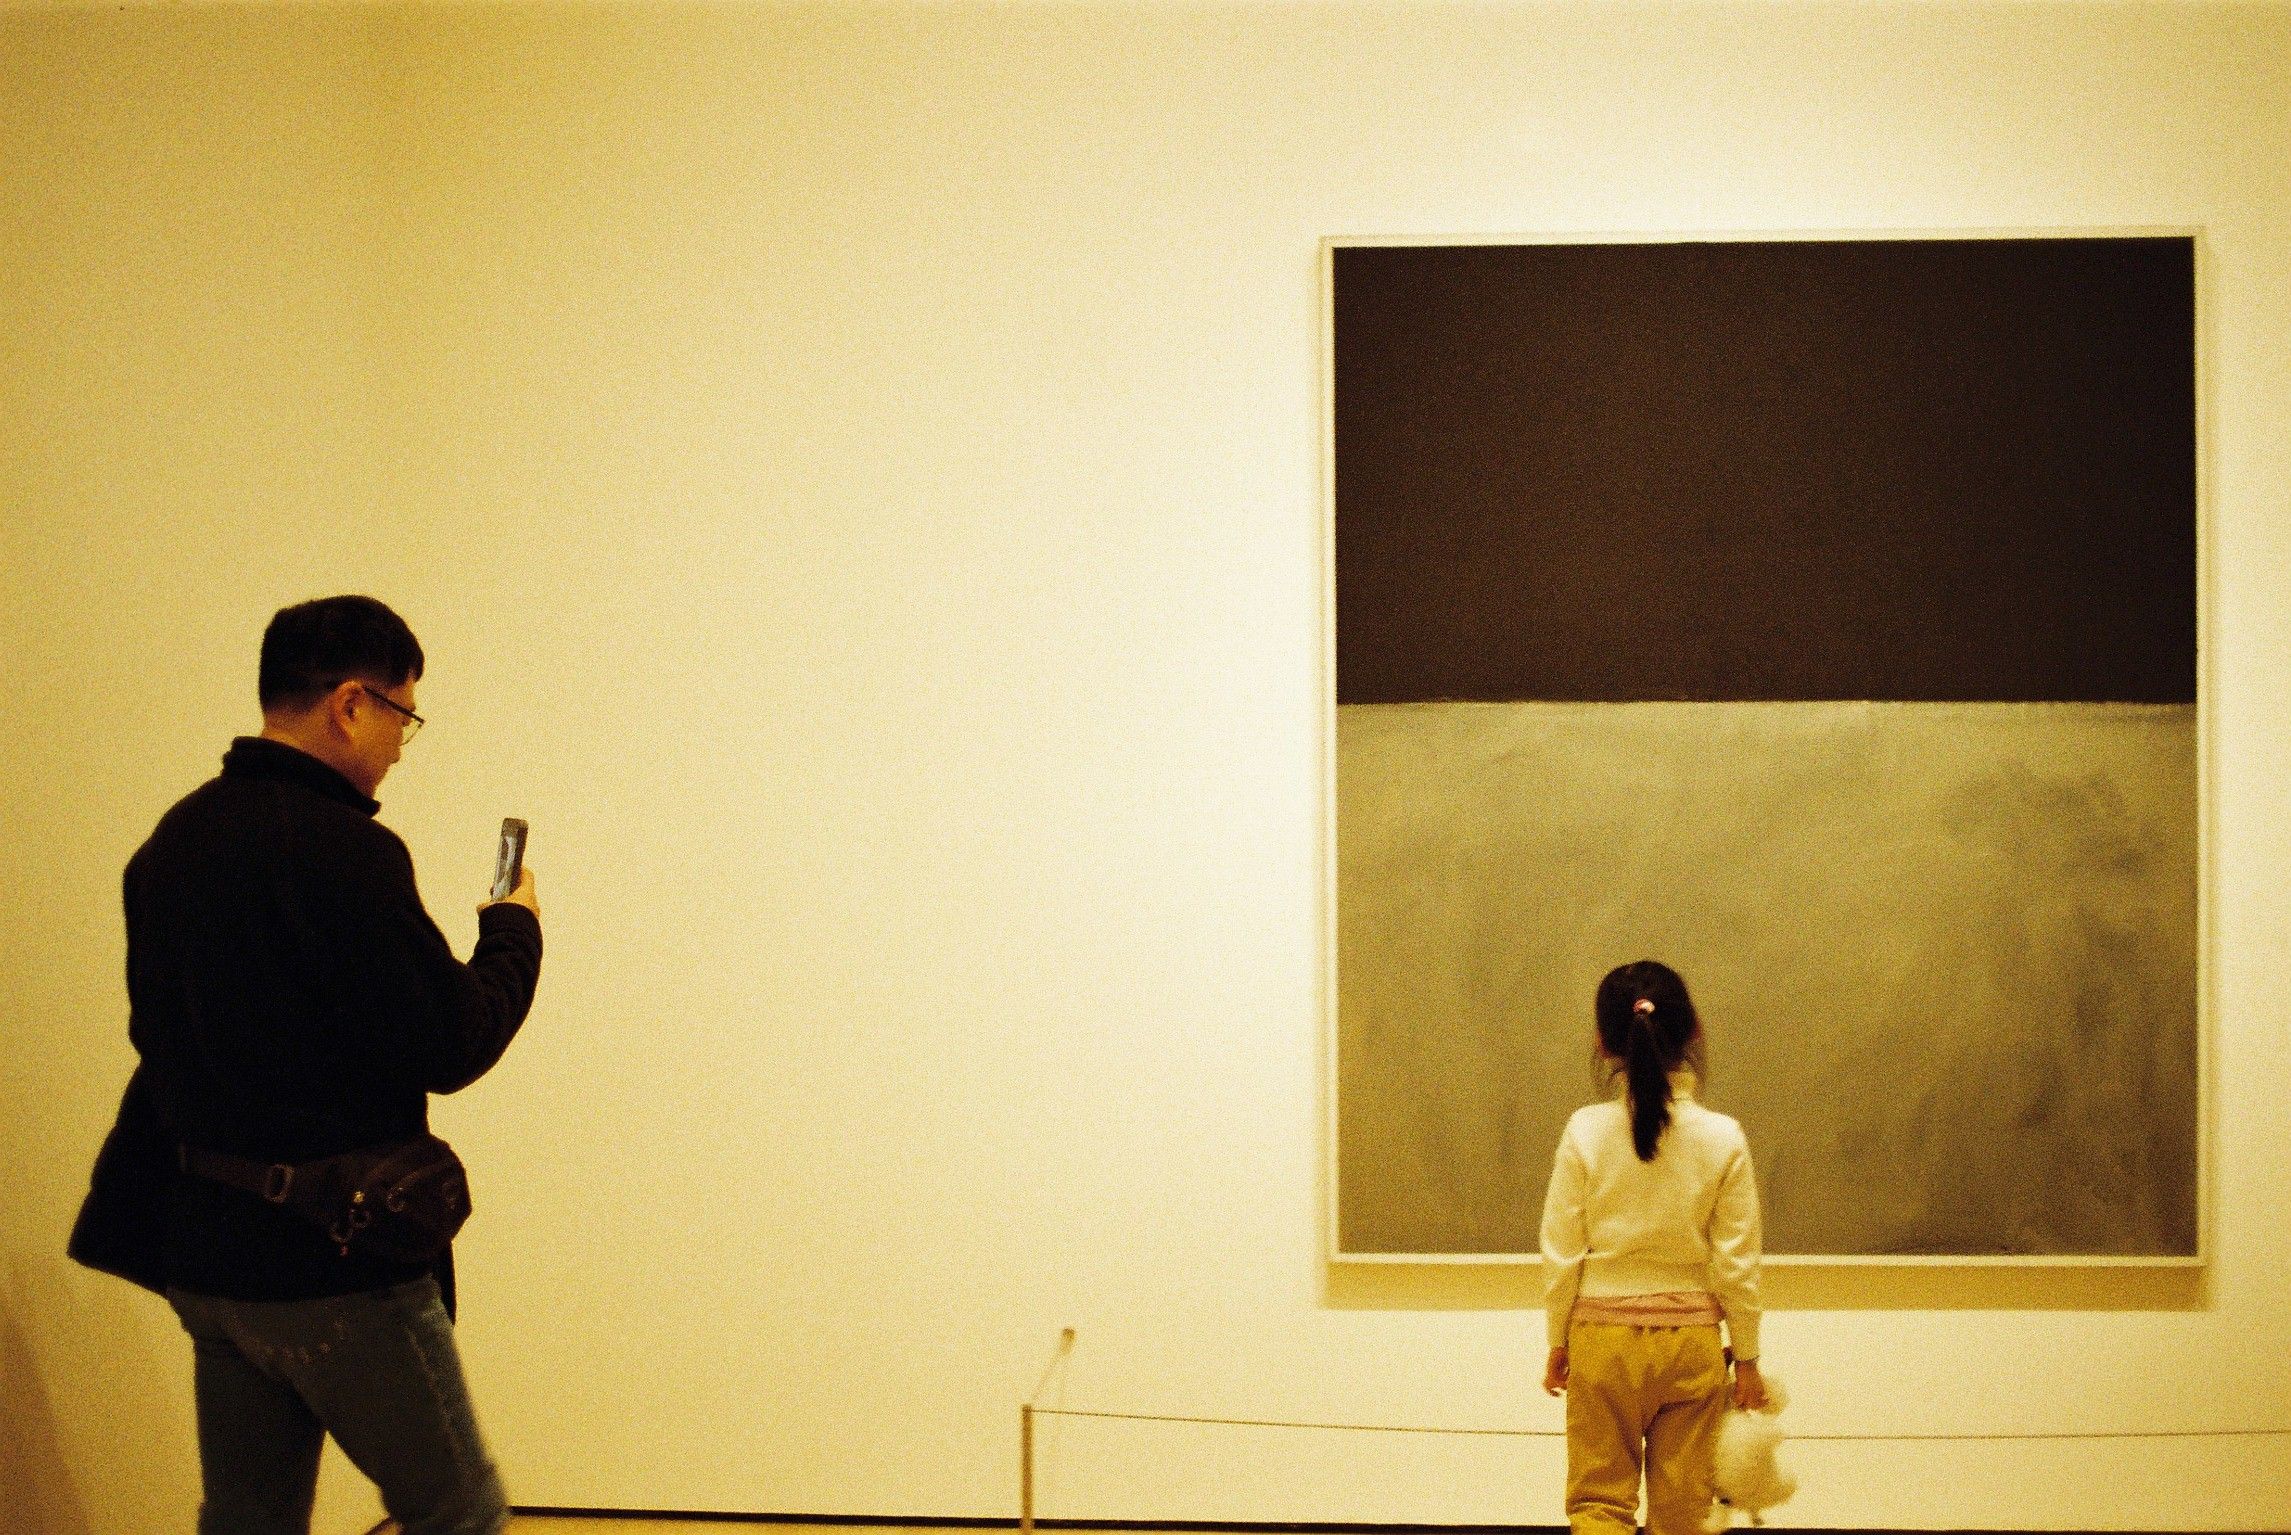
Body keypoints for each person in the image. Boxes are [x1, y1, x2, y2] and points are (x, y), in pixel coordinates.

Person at [69, 595, 543, 1535]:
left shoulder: (170, 842)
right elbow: (453, 1042)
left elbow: (157, 1037)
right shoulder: (343, 851)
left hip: (209, 1258)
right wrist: (512, 928)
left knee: (249, 1520)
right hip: (335, 1261)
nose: (401, 745)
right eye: (403, 715)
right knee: (459, 1512)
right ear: (352, 703)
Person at [1538, 960, 1764, 1535]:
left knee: (1598, 1504)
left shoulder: (1584, 1130)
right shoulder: (1724, 1137)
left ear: (1603, 1041)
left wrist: (1558, 1340)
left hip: (1601, 1339)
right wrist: (1747, 1359)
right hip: (1692, 1342)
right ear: (1693, 1032)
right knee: (1685, 1514)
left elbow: (1561, 1252)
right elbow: (1737, 1263)